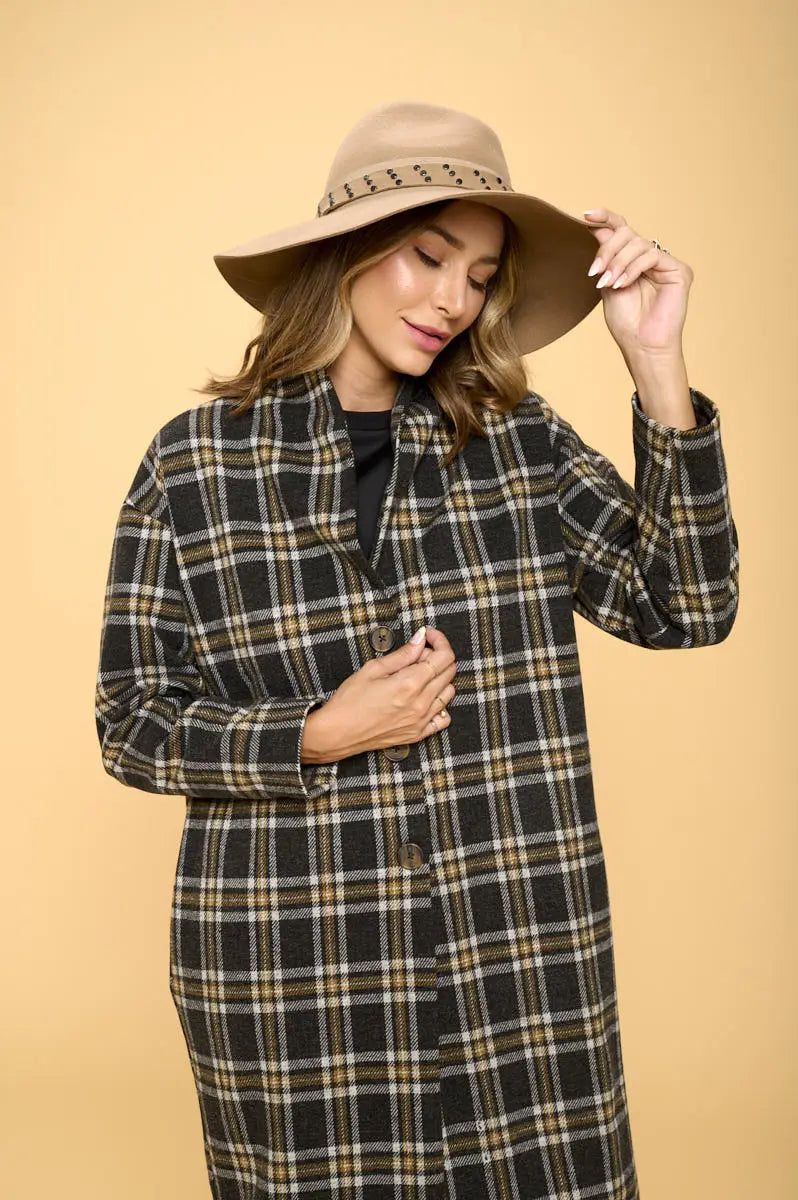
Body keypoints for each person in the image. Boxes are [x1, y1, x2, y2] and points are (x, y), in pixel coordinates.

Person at [94, 100, 739, 1199]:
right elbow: (131, 721)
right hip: (294, 966)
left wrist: (656, 365)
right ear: (346, 250)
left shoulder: (519, 444)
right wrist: (314, 733)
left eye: (480, 277)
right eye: (429, 256)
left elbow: (687, 603)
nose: (453, 300)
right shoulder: (194, 466)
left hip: (516, 958)